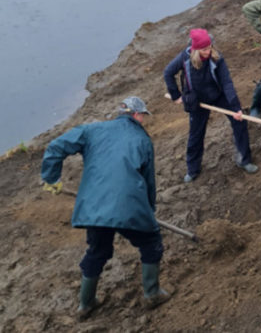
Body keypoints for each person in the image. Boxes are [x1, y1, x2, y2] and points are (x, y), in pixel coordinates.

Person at [40, 96, 170, 320]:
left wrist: (51, 179)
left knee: (97, 251)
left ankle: (86, 304)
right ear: (137, 115)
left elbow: (55, 147)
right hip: (129, 204)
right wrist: (150, 210)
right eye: (143, 116)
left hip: (94, 207)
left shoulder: (92, 130)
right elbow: (148, 181)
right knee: (151, 243)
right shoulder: (142, 139)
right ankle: (152, 294)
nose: (144, 120)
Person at [164, 28, 258, 182]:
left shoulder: (216, 58)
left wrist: (235, 108)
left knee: (240, 122)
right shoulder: (184, 58)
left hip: (218, 94)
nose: (208, 51)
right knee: (196, 134)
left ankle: (244, 160)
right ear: (195, 50)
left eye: (209, 48)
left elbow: (227, 83)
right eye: (204, 49)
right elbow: (168, 73)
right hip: (197, 100)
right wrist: (176, 95)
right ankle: (193, 169)